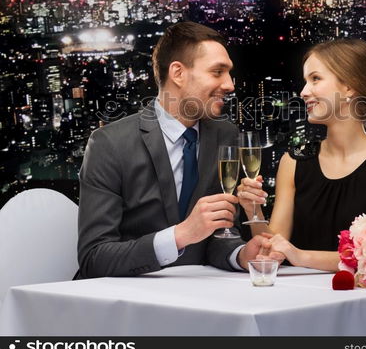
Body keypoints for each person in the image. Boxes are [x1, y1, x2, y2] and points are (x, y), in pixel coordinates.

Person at [77, 21, 272, 278]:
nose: (230, 85)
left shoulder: (226, 134)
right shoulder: (109, 144)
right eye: (217, 72)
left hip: (198, 295)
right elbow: (94, 258)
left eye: (229, 73)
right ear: (178, 73)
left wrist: (240, 255)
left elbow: (220, 233)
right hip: (126, 302)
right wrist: (180, 235)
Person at [237, 38, 366, 271]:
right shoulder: (293, 161)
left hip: (358, 299)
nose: (303, 91)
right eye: (305, 81)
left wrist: (300, 256)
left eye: (315, 79)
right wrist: (254, 210)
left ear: (349, 86)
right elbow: (272, 249)